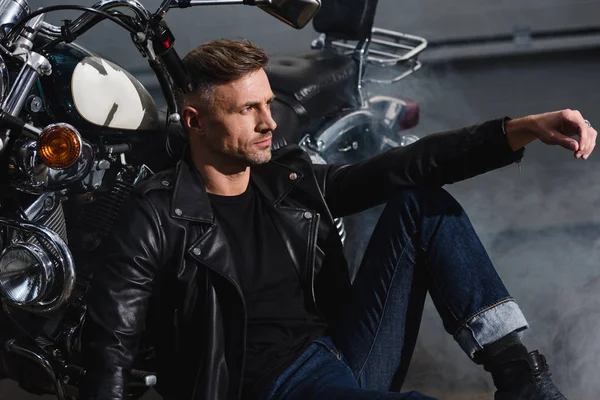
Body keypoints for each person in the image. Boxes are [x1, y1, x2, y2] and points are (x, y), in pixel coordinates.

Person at [80, 39, 596, 400]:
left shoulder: (287, 181)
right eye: (247, 110)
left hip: (341, 358)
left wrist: (520, 129)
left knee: (419, 202)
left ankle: (518, 378)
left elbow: (405, 166)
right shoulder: (155, 215)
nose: (268, 122)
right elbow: (110, 349)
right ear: (195, 122)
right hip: (273, 387)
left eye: (268, 104)